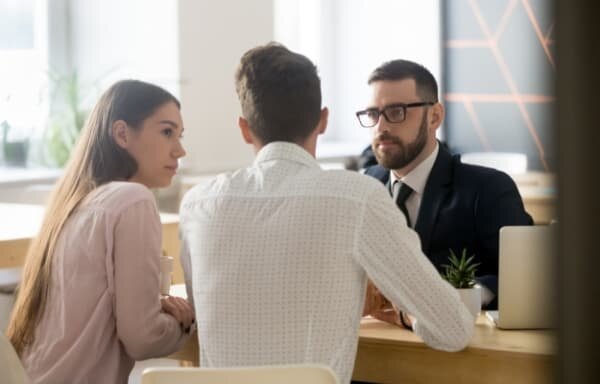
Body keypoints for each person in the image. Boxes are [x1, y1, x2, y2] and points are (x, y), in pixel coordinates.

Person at [179, 43, 474, 384]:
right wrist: (405, 309)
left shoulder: (196, 205)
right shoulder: (358, 199)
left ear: (245, 128)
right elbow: (453, 329)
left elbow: (202, 315)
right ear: (323, 120)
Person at [6, 80, 195, 384]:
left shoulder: (74, 202)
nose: (180, 150)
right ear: (122, 134)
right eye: (167, 132)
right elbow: (143, 338)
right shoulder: (133, 199)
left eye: (179, 135)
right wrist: (182, 321)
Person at [357, 59, 533, 314]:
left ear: (435, 116)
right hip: (378, 341)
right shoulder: (366, 185)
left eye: (396, 112)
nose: (381, 127)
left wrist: (462, 296)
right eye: (373, 114)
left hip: (462, 346)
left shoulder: (489, 189)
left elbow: (524, 277)